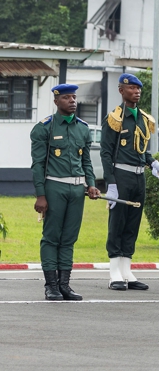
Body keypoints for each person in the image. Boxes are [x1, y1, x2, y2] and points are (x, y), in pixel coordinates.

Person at [31, 84, 101, 300]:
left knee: (69, 238)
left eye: (74, 97)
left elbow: (86, 161)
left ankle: (64, 285)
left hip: (77, 190)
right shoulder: (44, 128)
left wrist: (91, 184)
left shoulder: (83, 128)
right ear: (56, 101)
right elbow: (38, 164)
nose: (72, 101)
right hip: (55, 187)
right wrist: (41, 195)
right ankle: (51, 286)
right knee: (51, 237)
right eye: (67, 97)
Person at [101, 73, 159, 291]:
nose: (136, 92)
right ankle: (114, 272)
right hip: (121, 176)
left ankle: (126, 270)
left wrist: (152, 161)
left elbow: (141, 149)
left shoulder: (144, 118)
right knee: (117, 223)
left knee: (132, 224)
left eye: (138, 89)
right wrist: (110, 183)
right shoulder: (115, 118)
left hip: (139, 177)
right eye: (131, 88)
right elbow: (106, 152)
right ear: (121, 90)